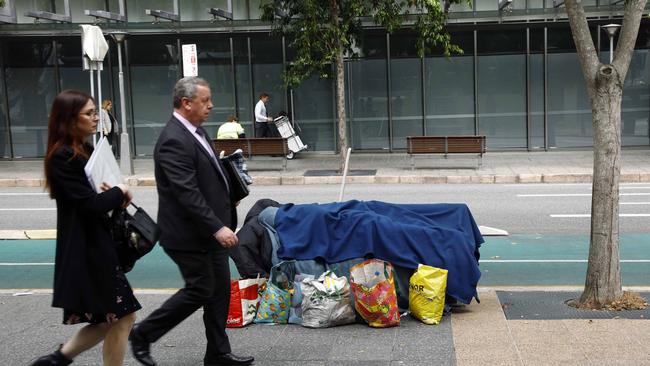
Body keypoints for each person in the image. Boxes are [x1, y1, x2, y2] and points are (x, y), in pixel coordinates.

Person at [128, 77, 254, 366]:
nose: (211, 105)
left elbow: (206, 176)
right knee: (200, 289)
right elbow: (187, 192)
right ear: (186, 103)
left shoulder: (196, 131)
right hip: (188, 235)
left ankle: (218, 353)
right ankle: (143, 334)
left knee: (220, 293)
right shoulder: (173, 139)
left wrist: (230, 192)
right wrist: (217, 226)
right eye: (205, 100)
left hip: (208, 234)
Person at [32, 90, 138, 366]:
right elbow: (90, 204)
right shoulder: (62, 157)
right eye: (90, 113)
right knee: (120, 317)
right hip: (87, 252)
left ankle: (57, 359)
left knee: (111, 320)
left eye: (96, 112)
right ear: (69, 119)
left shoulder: (87, 150)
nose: (96, 118)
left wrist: (118, 197)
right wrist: (118, 191)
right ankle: (58, 358)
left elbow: (99, 202)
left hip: (97, 248)